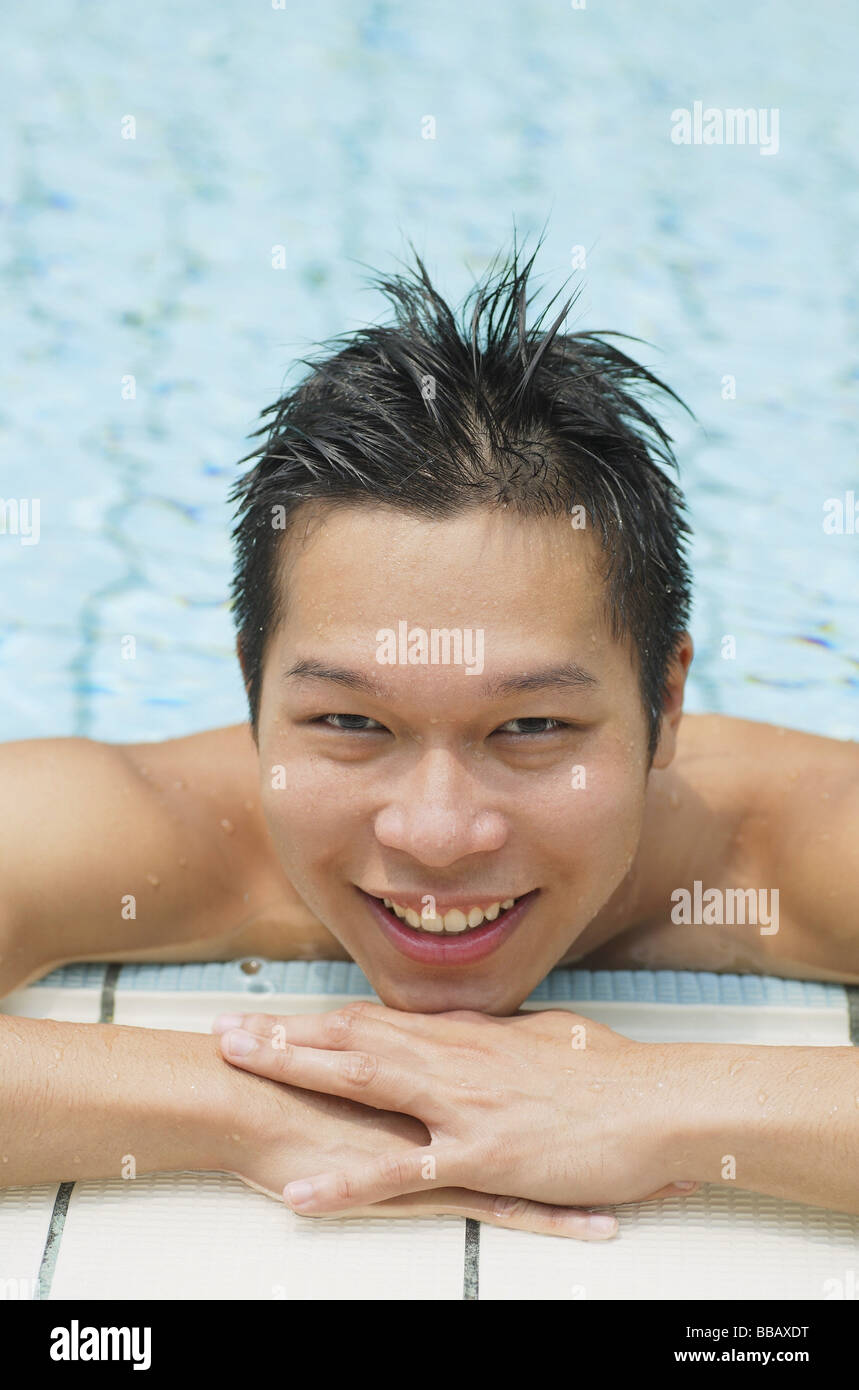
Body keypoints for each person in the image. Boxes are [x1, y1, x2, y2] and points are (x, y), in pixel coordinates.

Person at [2, 242, 857, 1239]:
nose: (436, 833)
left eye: (530, 726)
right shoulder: (127, 822)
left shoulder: (798, 837)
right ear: (252, 692)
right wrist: (254, 1104)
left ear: (664, 704)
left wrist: (642, 1099)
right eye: (353, 723)